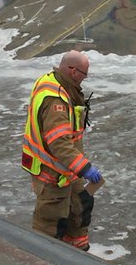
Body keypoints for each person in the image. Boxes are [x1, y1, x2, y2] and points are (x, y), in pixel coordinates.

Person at [21, 49, 103, 250]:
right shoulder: (56, 99)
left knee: (81, 206)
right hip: (51, 172)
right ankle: (46, 260)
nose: (84, 80)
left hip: (67, 169)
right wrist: (85, 168)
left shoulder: (53, 82)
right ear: (73, 71)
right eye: (84, 75)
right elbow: (59, 143)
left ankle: (77, 251)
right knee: (50, 223)